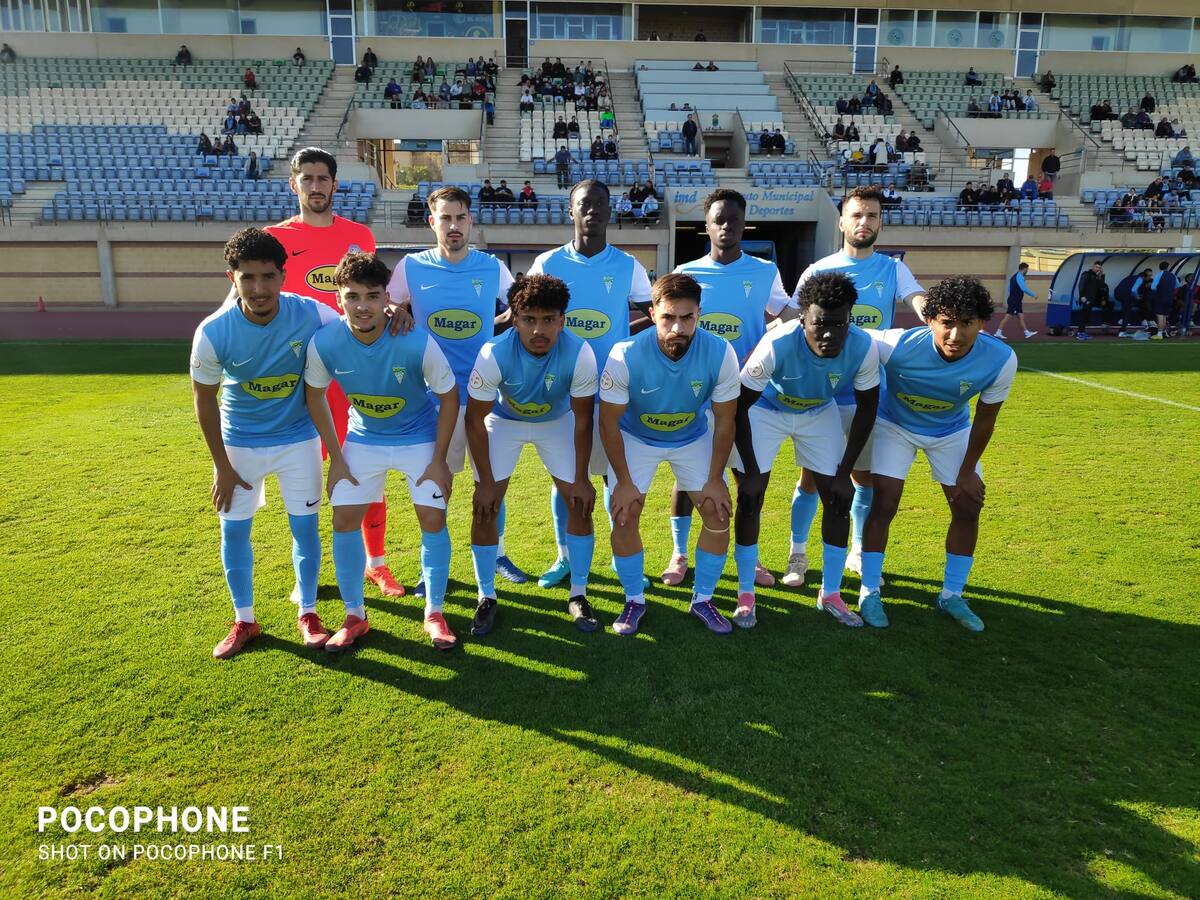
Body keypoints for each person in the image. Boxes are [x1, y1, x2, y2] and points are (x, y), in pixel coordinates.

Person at [191, 228, 341, 660]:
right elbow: (203, 400)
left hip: (299, 441)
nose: (259, 288)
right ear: (232, 278)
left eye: (268, 276)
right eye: (248, 277)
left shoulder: (310, 313)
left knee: (305, 529)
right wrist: (222, 466)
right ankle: (245, 620)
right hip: (240, 445)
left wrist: (390, 312)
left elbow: (356, 324)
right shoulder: (214, 331)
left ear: (283, 276)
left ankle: (308, 613)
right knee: (235, 531)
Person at [250, 148, 392, 597]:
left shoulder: (359, 235)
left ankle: (377, 563)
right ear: (293, 184)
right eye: (306, 178)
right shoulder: (274, 238)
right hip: (296, 375)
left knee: (365, 468)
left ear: (335, 185)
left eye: (323, 179)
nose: (315, 186)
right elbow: (249, 298)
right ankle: (308, 573)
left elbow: (371, 294)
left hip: (351, 370)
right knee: (306, 479)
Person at [304, 252, 459, 651]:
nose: (362, 306)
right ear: (338, 298)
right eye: (352, 296)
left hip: (417, 437)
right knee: (343, 519)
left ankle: (434, 613)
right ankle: (355, 616)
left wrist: (439, 460)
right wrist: (337, 457)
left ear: (386, 298)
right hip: (364, 439)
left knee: (432, 518)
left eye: (372, 296)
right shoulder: (326, 342)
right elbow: (314, 395)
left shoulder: (415, 339)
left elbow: (449, 395)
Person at [857, 276, 1016, 632]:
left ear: (982, 323)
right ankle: (869, 591)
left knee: (968, 505)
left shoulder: (1001, 359)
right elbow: (850, 336)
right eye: (946, 322)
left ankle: (951, 595)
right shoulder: (896, 345)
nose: (955, 334)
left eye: (967, 323)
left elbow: (985, 420)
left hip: (950, 431)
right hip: (894, 425)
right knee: (885, 500)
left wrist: (967, 471)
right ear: (929, 320)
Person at [386, 186, 527, 587]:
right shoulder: (411, 266)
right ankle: (432, 568)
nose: (453, 226)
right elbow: (384, 304)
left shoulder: (492, 267)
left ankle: (497, 554)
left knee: (490, 483)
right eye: (445, 218)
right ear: (431, 221)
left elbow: (520, 308)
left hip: (485, 398)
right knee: (436, 485)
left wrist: (497, 329)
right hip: (432, 400)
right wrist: (396, 309)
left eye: (460, 217)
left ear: (470, 221)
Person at [786, 186, 926, 586]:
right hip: (822, 397)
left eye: (872, 216)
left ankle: (859, 552)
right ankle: (798, 554)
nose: (865, 222)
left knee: (864, 477)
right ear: (842, 222)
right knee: (811, 477)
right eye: (857, 215)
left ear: (881, 223)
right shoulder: (819, 270)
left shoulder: (893, 270)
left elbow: (918, 299)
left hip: (869, 396)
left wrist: (938, 316)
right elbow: (792, 319)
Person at [663, 189, 795, 589]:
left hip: (746, 394)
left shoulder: (764, 271)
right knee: (688, 475)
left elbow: (787, 314)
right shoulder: (687, 273)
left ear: (744, 224)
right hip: (695, 391)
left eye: (733, 220)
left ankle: (748, 558)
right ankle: (679, 553)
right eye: (718, 220)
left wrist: (771, 341)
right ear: (706, 225)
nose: (726, 226)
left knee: (745, 478)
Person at [735, 272, 880, 628]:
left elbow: (867, 409)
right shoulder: (777, 343)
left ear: (850, 318)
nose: (830, 334)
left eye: (839, 323)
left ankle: (830, 594)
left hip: (817, 411)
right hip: (767, 410)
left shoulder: (863, 346)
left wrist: (845, 472)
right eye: (820, 324)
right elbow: (739, 406)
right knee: (751, 496)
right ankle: (745, 596)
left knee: (839, 498)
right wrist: (750, 471)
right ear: (802, 319)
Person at [527, 181, 653, 590]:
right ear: (571, 211)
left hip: (614, 392)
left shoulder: (628, 265)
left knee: (616, 478)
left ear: (610, 210)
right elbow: (525, 317)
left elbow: (655, 313)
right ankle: (564, 556)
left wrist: (626, 340)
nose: (593, 210)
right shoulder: (548, 263)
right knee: (567, 479)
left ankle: (620, 555)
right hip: (563, 394)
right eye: (585, 204)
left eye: (600, 204)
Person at [600, 273, 740, 636]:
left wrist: (715, 479)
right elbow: (609, 423)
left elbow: (725, 421)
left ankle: (703, 599)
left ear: (699, 315)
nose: (677, 327)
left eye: (687, 317)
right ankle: (634, 599)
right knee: (625, 514)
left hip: (691, 437)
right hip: (636, 438)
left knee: (717, 511)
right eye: (668, 317)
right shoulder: (625, 353)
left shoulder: (721, 351)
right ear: (652, 314)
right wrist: (624, 482)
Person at [465, 275, 600, 635]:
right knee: (485, 506)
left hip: (556, 422)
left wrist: (582, 478)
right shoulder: (494, 352)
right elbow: (474, 420)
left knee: (579, 503)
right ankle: (485, 595)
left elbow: (583, 418)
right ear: (514, 319)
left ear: (562, 320)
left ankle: (579, 594)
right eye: (529, 319)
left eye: (548, 319)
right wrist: (485, 482)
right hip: (503, 422)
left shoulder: (580, 352)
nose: (539, 330)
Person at [995, 262, 1038, 340]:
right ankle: (998, 332)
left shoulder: (1015, 276)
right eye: (1027, 269)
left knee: (1021, 317)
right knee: (1008, 316)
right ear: (1024, 269)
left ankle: (1026, 332)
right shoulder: (1019, 276)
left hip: (1016, 300)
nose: (1027, 271)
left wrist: (1014, 295)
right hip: (1014, 301)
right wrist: (1033, 294)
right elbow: (1024, 288)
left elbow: (1009, 288)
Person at [1075, 260, 1108, 340]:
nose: (1097, 269)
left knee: (1086, 316)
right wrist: (1082, 296)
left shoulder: (1097, 276)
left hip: (1091, 300)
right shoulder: (1086, 274)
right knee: (1084, 315)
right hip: (1085, 299)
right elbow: (1081, 285)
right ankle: (1079, 333)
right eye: (1096, 267)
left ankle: (1082, 332)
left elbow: (1101, 286)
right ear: (1093, 266)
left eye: (1099, 268)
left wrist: (1102, 276)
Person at [1150, 260, 1177, 340]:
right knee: (1165, 316)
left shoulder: (1159, 274)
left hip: (1160, 297)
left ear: (1159, 267)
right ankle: (1164, 332)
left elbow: (1153, 287)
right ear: (1167, 267)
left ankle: (1159, 334)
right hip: (1170, 298)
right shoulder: (1173, 275)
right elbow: (1177, 285)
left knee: (1160, 315)